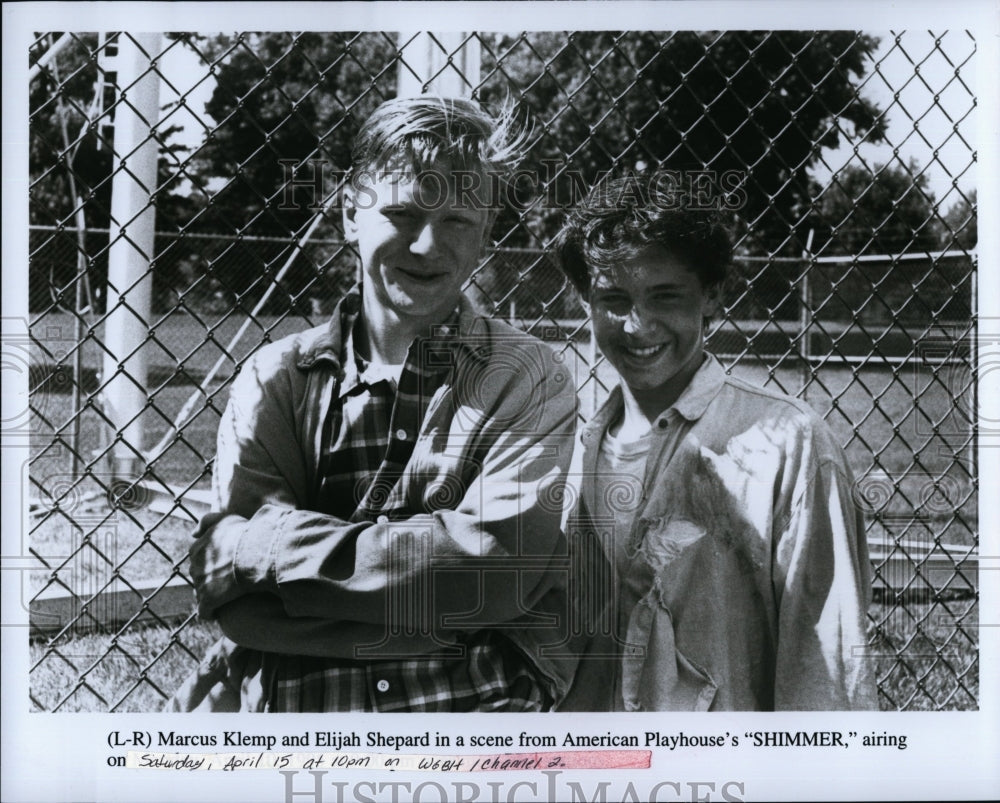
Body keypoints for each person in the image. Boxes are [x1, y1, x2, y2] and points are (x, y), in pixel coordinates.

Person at [168, 96, 598, 713]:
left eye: (457, 220)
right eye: (402, 212)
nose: (427, 245)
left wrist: (270, 556)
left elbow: (492, 577)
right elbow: (237, 603)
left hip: (472, 715)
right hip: (304, 717)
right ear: (350, 212)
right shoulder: (277, 380)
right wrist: (439, 605)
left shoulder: (526, 376)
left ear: (485, 230)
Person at [555, 172, 879, 711]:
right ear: (585, 301)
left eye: (665, 296)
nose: (637, 325)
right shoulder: (569, 449)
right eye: (614, 298)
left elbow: (826, 671)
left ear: (711, 296)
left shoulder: (788, 445)